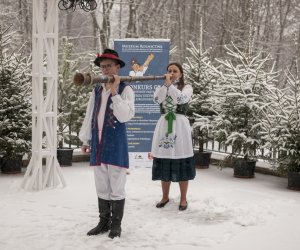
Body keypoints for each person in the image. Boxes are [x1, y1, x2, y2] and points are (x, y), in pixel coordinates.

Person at [79, 48, 135, 238]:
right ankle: (103, 222)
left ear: (117, 67)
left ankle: (116, 225)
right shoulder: (96, 90)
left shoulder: (126, 89)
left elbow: (125, 116)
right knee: (101, 184)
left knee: (116, 185)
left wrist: (114, 92)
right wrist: (86, 138)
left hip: (116, 143)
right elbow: (90, 116)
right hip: (99, 143)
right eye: (102, 67)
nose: (105, 70)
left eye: (109, 66)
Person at [151, 62, 195, 211]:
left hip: (180, 126)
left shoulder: (187, 88)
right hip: (165, 126)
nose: (171, 73)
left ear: (181, 74)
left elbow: (181, 99)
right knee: (165, 159)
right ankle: (165, 196)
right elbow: (158, 100)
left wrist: (171, 87)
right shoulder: (160, 88)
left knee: (181, 159)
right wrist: (166, 86)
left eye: (175, 71)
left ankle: (183, 198)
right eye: (169, 70)